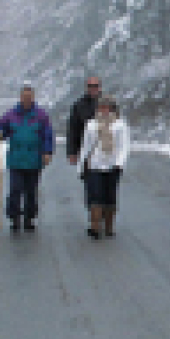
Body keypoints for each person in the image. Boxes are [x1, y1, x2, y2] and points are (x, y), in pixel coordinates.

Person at [0, 82, 55, 232]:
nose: (27, 99)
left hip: (34, 159)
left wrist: (47, 152)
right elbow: (1, 128)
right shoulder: (11, 114)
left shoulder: (41, 115)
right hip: (16, 159)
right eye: (24, 96)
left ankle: (29, 218)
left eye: (29, 96)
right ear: (20, 97)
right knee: (15, 189)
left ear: (33, 97)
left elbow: (48, 135)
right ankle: (14, 218)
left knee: (31, 190)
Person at [76, 96, 129, 239]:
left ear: (112, 108)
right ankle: (95, 227)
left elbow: (124, 146)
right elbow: (86, 146)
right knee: (95, 196)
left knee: (110, 197)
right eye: (101, 107)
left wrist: (120, 163)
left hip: (113, 166)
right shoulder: (91, 124)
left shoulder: (120, 125)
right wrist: (81, 166)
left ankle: (109, 226)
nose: (103, 110)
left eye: (106, 107)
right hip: (95, 165)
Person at [67, 76, 101, 165]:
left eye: (95, 86)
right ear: (87, 87)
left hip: (104, 150)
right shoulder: (79, 105)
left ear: (99, 87)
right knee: (89, 177)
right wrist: (72, 152)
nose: (93, 88)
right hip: (85, 150)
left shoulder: (108, 104)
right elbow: (72, 130)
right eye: (90, 86)